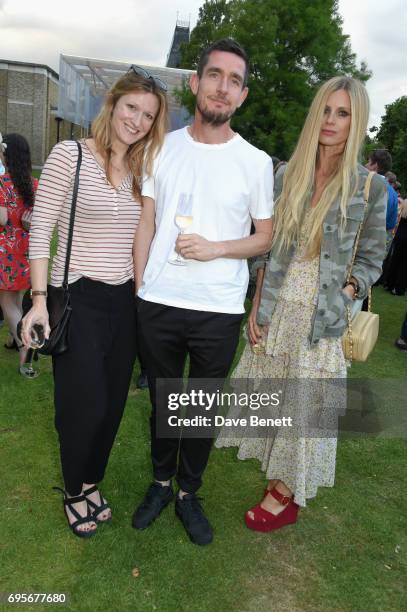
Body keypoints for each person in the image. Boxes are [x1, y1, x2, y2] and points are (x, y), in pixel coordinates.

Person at [216, 76, 386, 532]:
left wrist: (348, 293)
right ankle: (280, 475)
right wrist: (256, 306)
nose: (332, 121)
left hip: (324, 311)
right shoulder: (288, 173)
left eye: (343, 113)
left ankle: (287, 492)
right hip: (279, 299)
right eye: (326, 110)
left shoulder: (370, 189)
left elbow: (372, 259)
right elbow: (268, 250)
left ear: (357, 122)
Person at [132, 38, 274, 545]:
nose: (222, 87)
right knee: (164, 403)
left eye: (234, 81)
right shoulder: (161, 147)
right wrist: (140, 288)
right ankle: (160, 483)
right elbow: (147, 222)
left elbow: (265, 234)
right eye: (214, 75)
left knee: (200, 408)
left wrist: (215, 249)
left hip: (218, 309)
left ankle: (189, 492)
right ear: (195, 82)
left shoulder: (255, 162)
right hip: (159, 301)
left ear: (243, 96)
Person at [21, 68, 168, 537]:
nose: (138, 120)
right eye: (132, 108)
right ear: (113, 104)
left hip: (123, 303)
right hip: (78, 298)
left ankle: (90, 480)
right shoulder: (72, 156)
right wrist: (39, 301)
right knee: (80, 406)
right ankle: (72, 491)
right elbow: (40, 229)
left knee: (110, 406)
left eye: (148, 115)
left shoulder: (143, 171)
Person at [0, 133, 38, 375]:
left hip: (5, 251)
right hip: (26, 251)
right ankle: (16, 339)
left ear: (6, 154)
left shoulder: (3, 182)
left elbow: (2, 219)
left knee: (7, 303)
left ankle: (26, 346)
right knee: (18, 300)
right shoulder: (33, 183)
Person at [366, 149, 398, 250]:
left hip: (364, 242)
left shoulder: (369, 185)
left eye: (368, 162)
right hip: (377, 245)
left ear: (375, 165)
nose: (366, 165)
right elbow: (390, 223)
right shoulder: (392, 192)